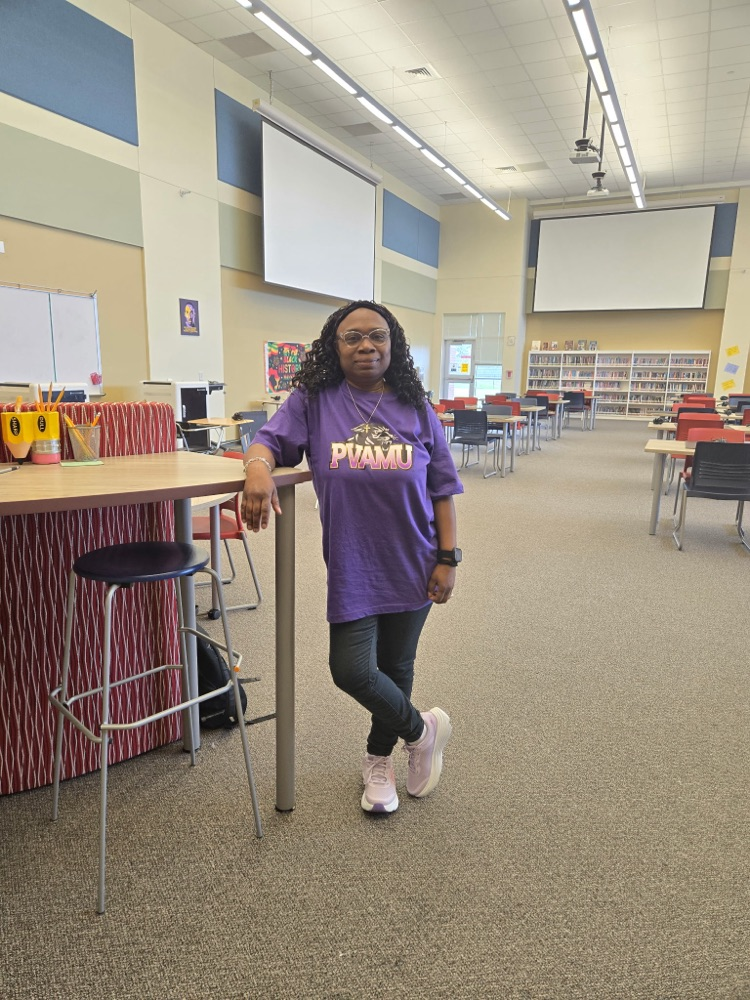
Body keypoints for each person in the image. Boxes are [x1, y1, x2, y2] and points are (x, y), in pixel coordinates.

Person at [241, 301, 463, 814]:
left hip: (416, 559)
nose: (367, 345)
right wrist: (257, 468)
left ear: (394, 343)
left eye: (378, 336)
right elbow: (270, 441)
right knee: (351, 670)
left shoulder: (416, 405)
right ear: (334, 347)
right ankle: (422, 730)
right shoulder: (315, 401)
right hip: (353, 563)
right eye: (353, 337)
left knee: (396, 666)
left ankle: (377, 761)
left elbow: (443, 489)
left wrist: (448, 558)